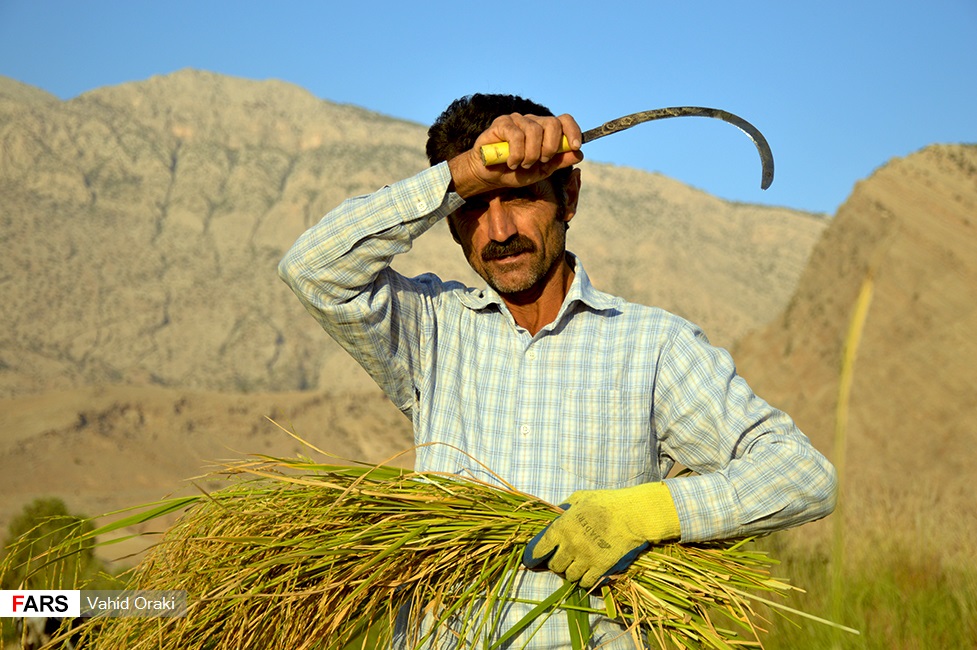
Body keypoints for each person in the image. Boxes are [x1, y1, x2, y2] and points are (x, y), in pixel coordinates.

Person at [279, 93, 837, 648]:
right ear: (451, 224)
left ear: (567, 197)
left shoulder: (651, 345)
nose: (498, 232)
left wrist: (649, 513)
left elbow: (802, 476)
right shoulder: (432, 331)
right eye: (476, 206)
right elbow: (312, 269)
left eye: (520, 197)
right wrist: (464, 174)